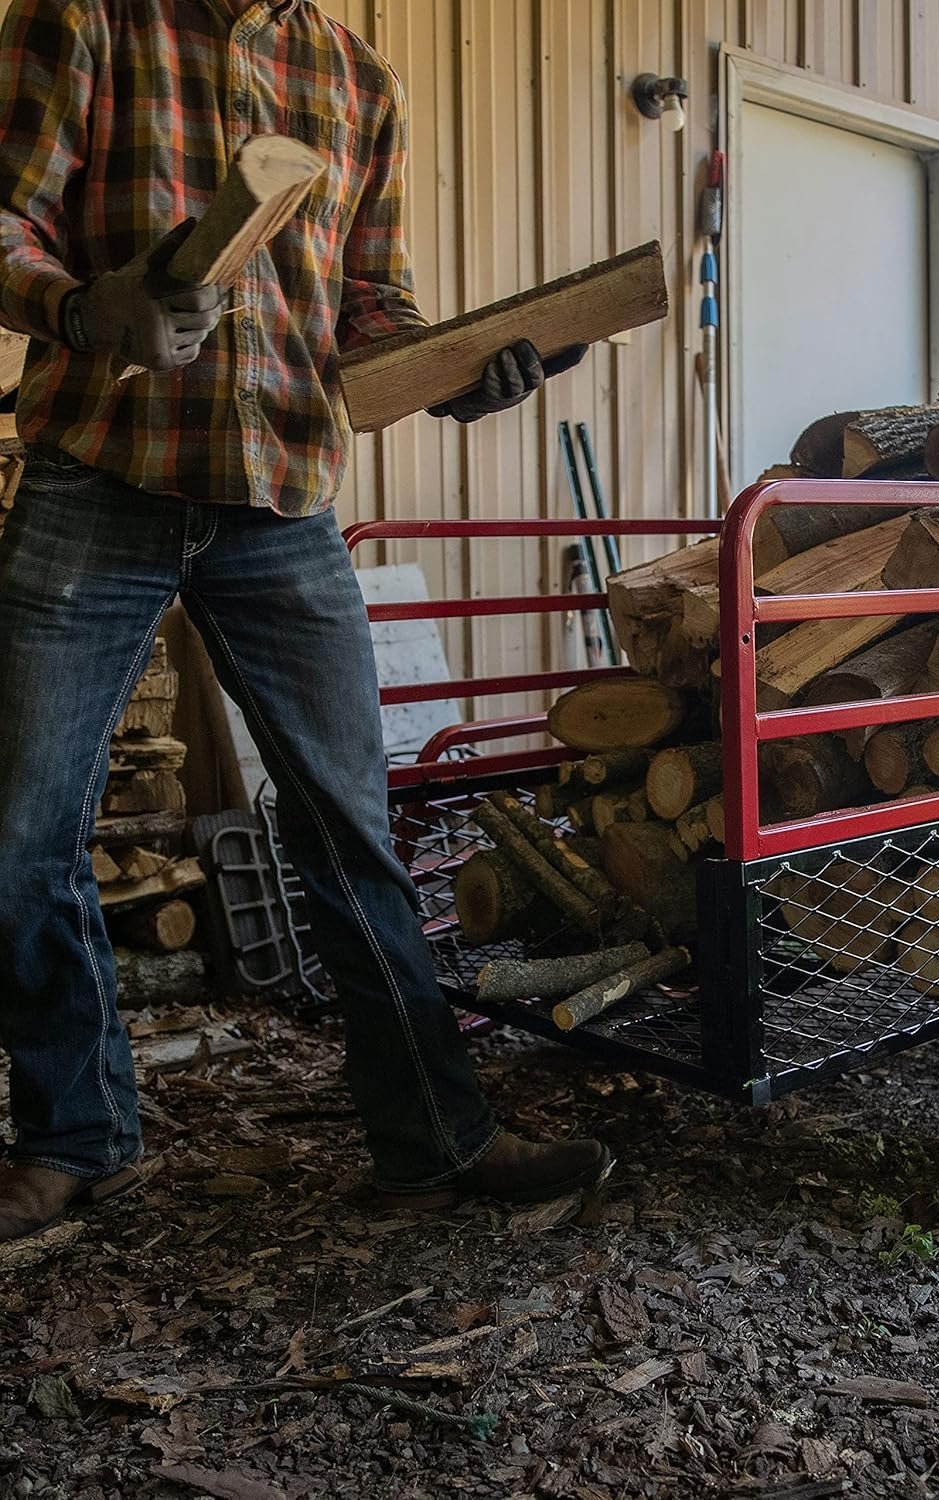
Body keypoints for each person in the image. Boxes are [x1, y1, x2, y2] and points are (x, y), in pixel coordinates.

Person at [0, 0, 610, 1241]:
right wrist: (87, 308)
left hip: (281, 500)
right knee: (19, 831)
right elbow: (6, 224)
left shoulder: (356, 79)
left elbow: (371, 303)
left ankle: (433, 1139)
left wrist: (457, 373)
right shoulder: (84, 16)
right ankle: (75, 1137)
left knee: (352, 832)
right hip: (97, 476)